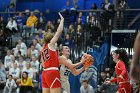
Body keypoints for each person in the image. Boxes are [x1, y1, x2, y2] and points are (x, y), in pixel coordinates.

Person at [41, 12, 64, 93]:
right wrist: (62, 20)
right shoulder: (51, 44)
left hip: (44, 73)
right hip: (52, 72)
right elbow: (58, 32)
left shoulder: (43, 49)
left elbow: (43, 63)